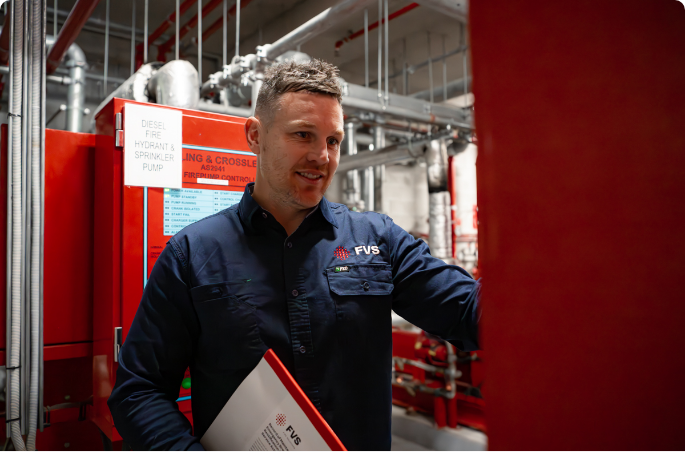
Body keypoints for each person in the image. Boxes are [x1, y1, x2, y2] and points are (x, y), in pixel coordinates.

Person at [108, 59, 480, 451]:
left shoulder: (377, 238)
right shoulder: (193, 254)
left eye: (333, 140)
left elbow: (468, 311)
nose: (322, 156)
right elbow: (139, 392)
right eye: (303, 135)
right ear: (255, 135)